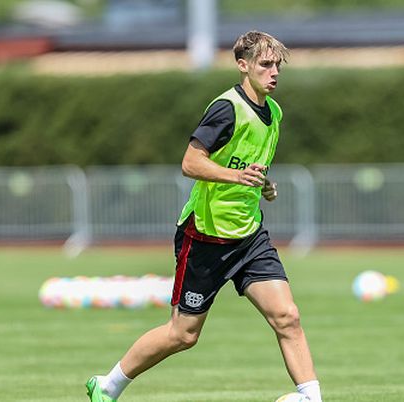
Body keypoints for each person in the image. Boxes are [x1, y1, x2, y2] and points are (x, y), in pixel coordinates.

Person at [85, 31, 322, 401]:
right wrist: (236, 176)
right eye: (265, 64)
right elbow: (191, 162)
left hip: (249, 235)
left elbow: (246, 168)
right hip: (205, 236)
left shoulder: (274, 114)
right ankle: (108, 385)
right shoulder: (227, 108)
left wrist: (263, 186)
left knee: (287, 316)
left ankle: (310, 398)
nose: (274, 72)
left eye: (277, 65)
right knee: (183, 335)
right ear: (243, 66)